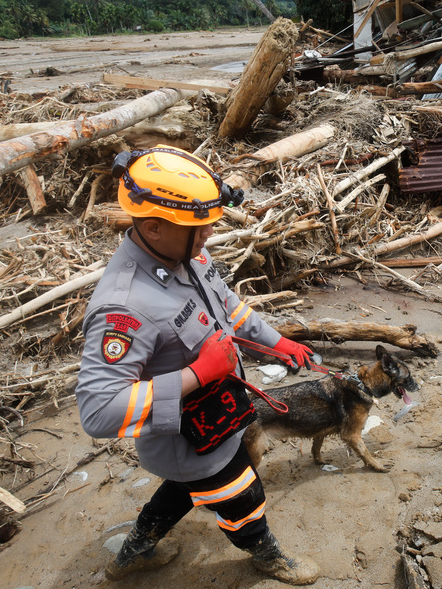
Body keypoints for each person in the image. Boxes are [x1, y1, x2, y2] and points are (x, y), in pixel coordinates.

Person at [76, 146, 320, 585]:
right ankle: (267, 556)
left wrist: (276, 342)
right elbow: (97, 410)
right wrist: (199, 373)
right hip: (188, 437)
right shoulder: (125, 306)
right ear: (152, 226)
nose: (209, 232)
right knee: (242, 496)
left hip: (222, 412)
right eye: (199, 226)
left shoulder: (186, 251)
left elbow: (227, 306)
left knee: (183, 490)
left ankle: (132, 554)